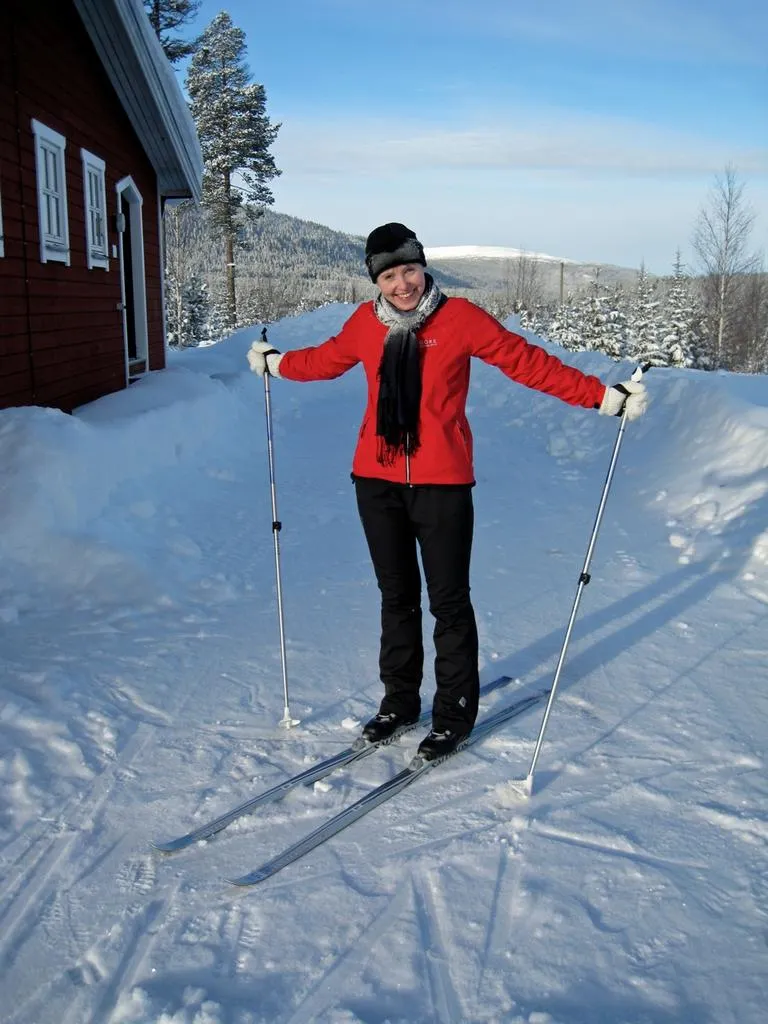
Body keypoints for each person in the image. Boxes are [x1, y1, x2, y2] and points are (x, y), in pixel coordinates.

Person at [247, 223, 648, 760]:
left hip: (443, 484)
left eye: (408, 269)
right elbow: (321, 360)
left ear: (423, 266)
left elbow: (525, 361)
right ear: (376, 281)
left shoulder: (459, 319)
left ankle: (454, 714)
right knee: (396, 598)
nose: (402, 284)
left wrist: (601, 397)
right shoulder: (365, 325)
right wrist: (276, 363)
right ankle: (399, 702)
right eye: (389, 275)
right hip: (375, 480)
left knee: (449, 602)